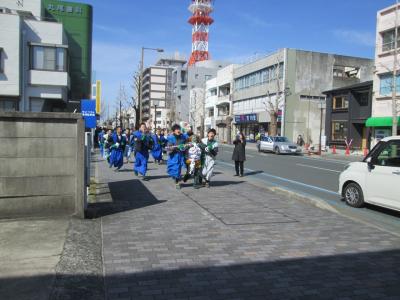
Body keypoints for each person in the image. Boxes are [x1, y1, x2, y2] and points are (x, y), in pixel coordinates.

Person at [166, 124, 189, 189]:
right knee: (173, 169)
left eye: (179, 129)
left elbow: (187, 144)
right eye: (176, 129)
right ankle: (175, 178)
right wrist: (174, 148)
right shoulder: (171, 138)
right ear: (174, 131)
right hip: (173, 156)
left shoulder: (183, 137)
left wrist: (184, 147)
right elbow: (168, 147)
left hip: (180, 156)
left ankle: (177, 182)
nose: (178, 130)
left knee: (178, 169)